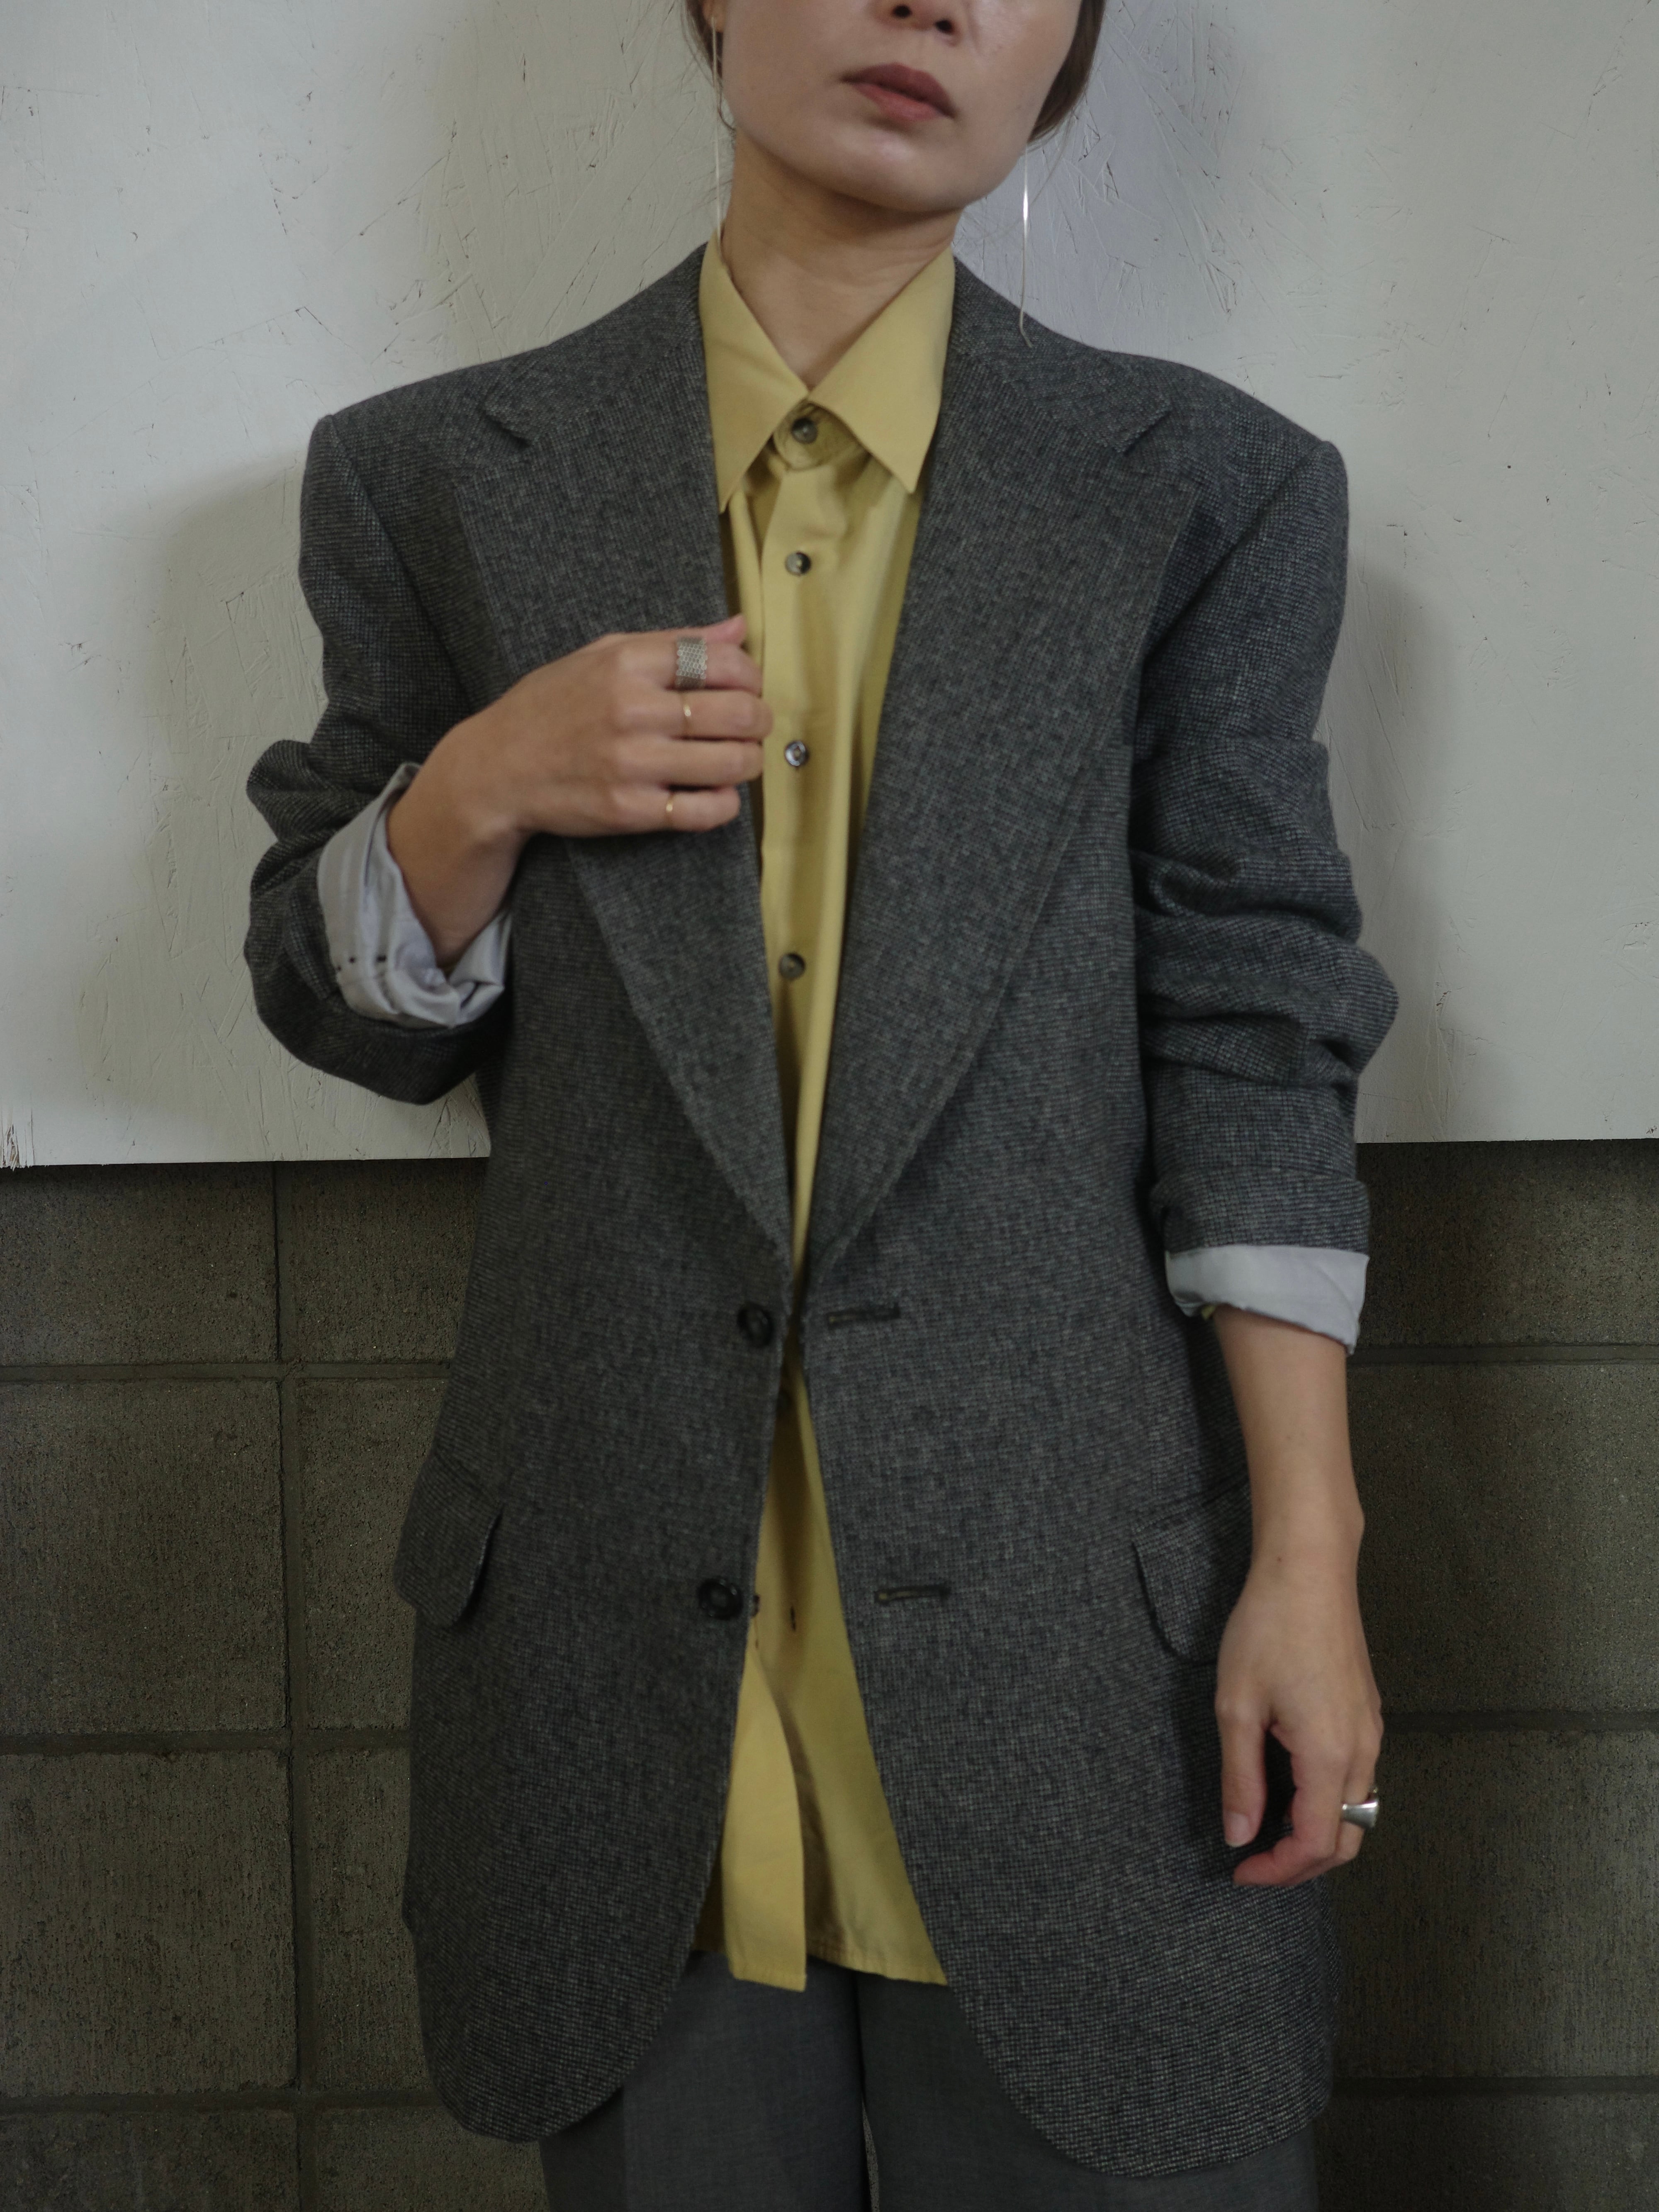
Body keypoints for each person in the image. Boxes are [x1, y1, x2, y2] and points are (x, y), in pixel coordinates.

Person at [246, 1, 1397, 2204]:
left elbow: (1256, 1031)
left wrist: (1311, 1557)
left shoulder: (1207, 491)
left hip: (1080, 1650)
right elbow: (349, 1015)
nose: (933, 2)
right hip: (619, 1671)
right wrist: (480, 783)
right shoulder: (434, 476)